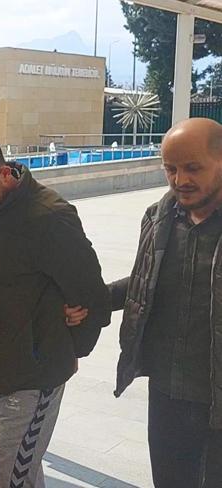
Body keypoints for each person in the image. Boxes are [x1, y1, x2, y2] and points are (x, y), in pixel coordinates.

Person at [0, 134, 110, 488]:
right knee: (22, 473)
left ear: (5, 173)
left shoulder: (50, 217)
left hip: (32, 377)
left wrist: (70, 346)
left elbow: (91, 295)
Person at [110, 118, 222, 488]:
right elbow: (143, 283)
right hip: (167, 397)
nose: (179, 180)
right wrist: (91, 300)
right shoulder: (158, 220)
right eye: (170, 169)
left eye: (193, 168)